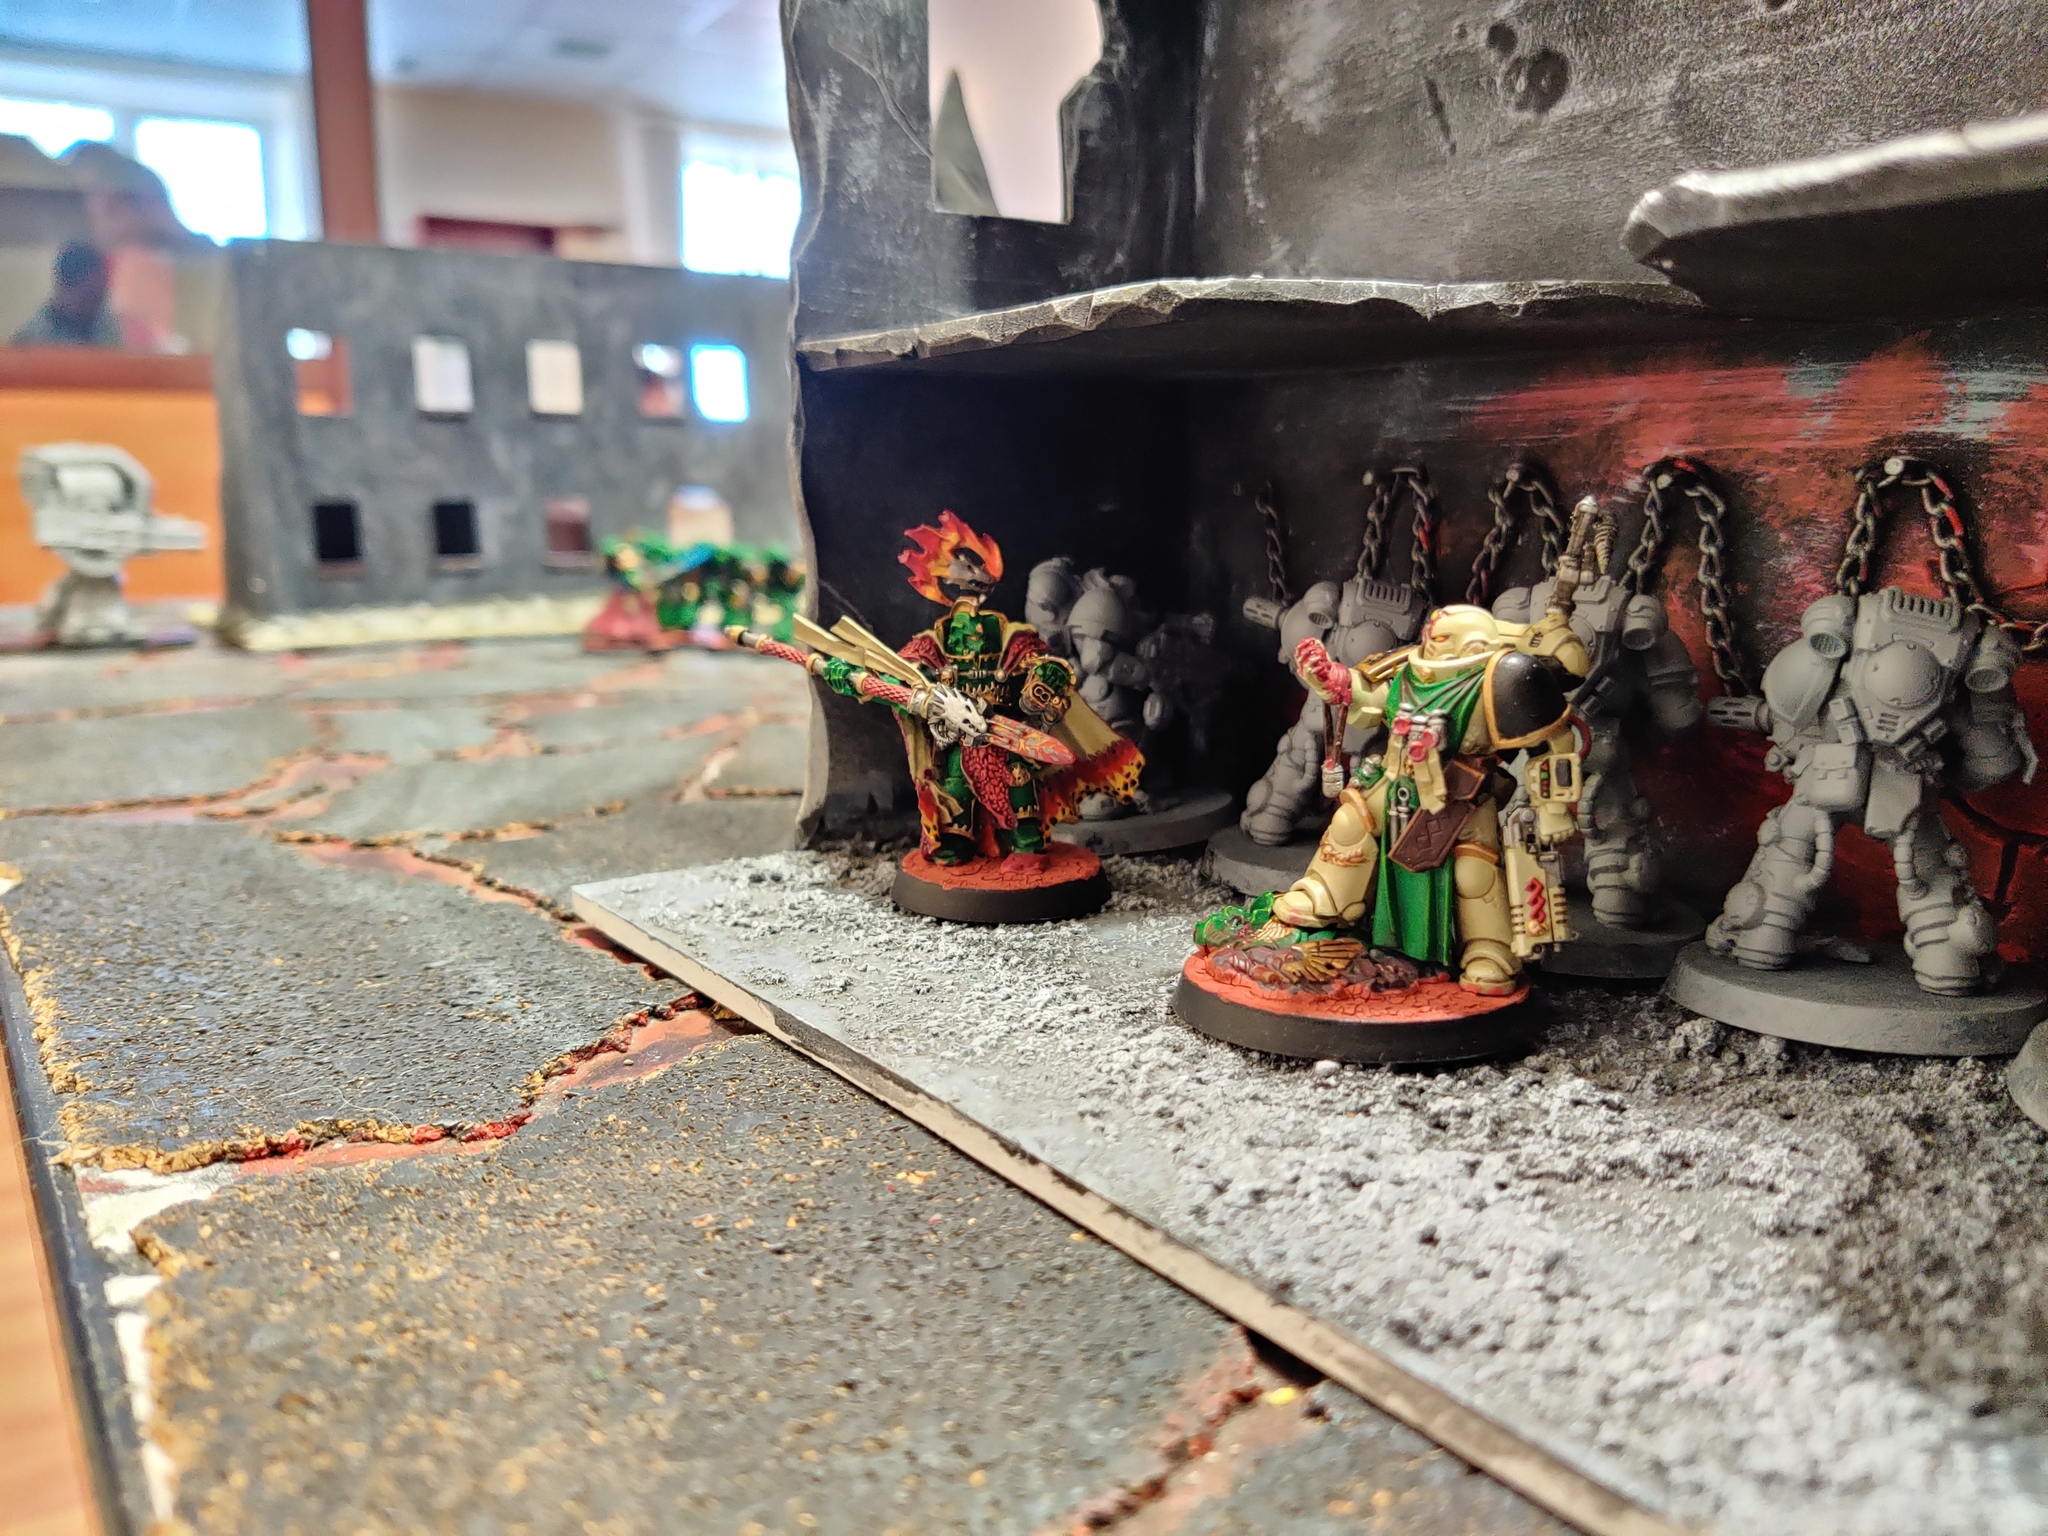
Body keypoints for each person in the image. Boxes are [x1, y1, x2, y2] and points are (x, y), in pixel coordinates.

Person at [11, 242, 121, 348]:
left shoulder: (108, 332)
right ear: (63, 286)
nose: (97, 304)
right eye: (89, 296)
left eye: (101, 294)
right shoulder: (30, 342)